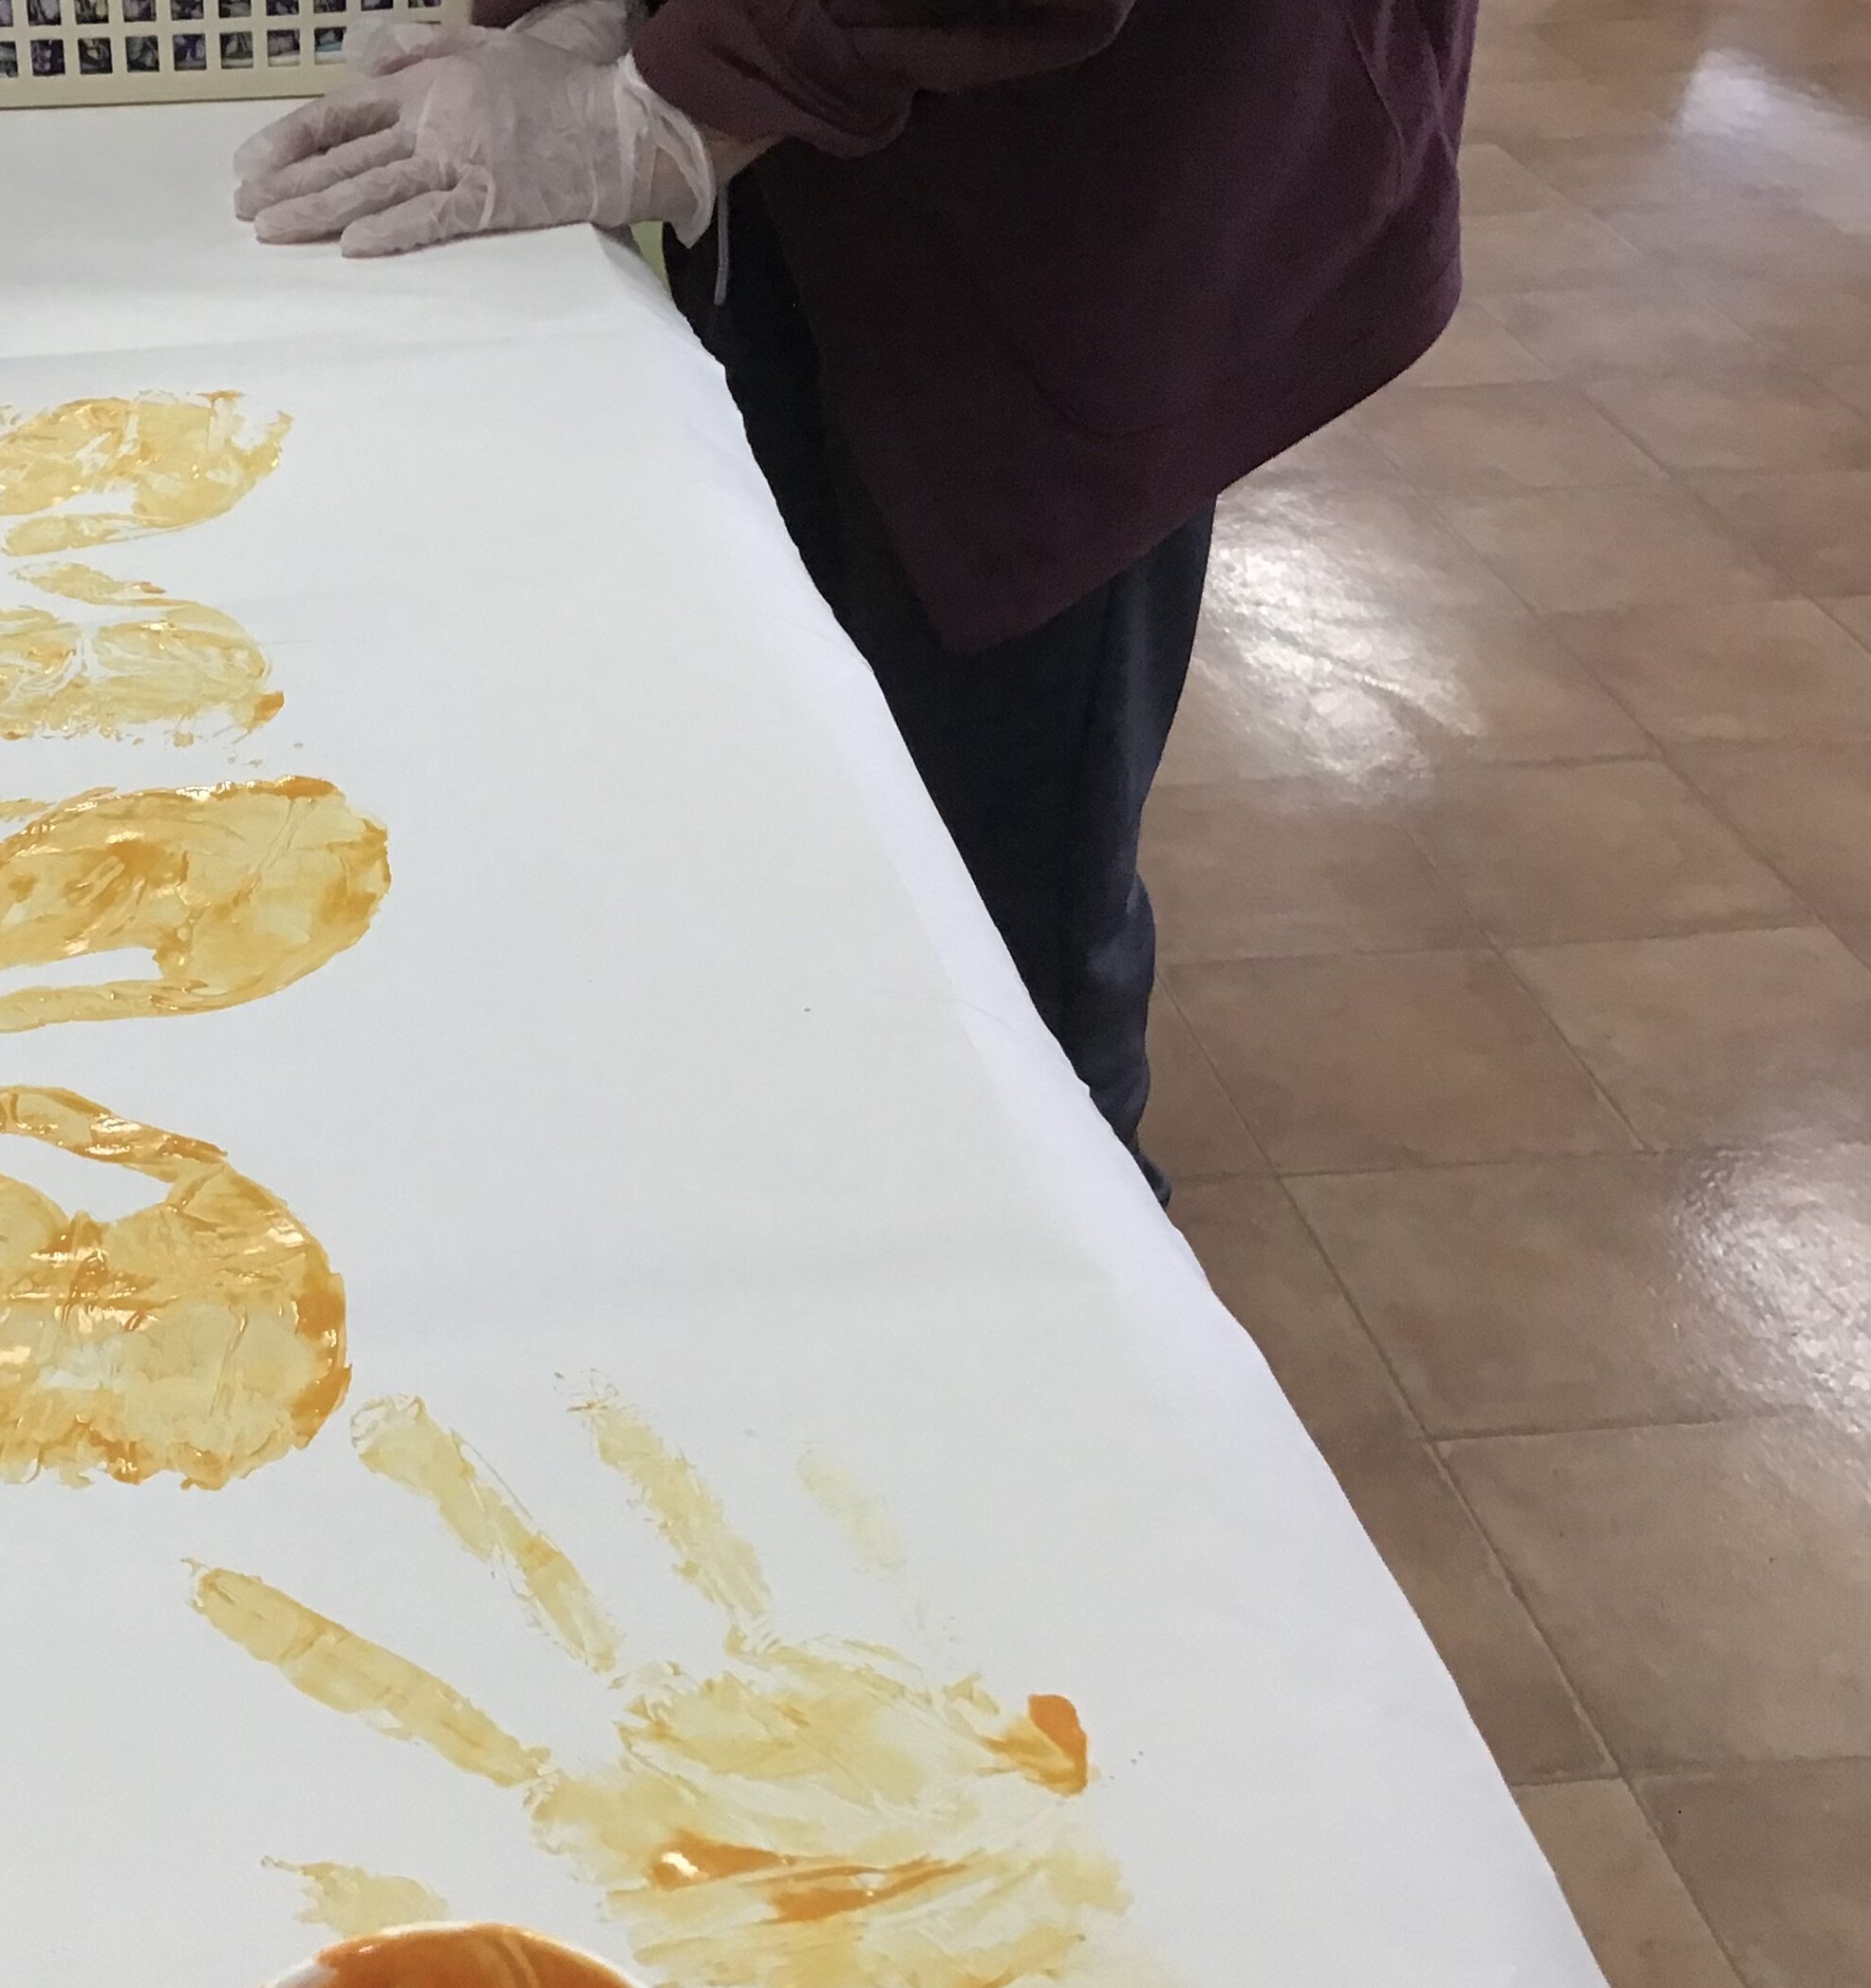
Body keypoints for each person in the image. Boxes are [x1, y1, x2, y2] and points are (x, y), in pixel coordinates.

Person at [232, 0, 1473, 1199]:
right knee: (819, 747)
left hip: (1086, 191)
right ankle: (863, 1147)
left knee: (999, 875)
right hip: (845, 169)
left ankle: (1057, 1244)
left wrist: (671, 105)